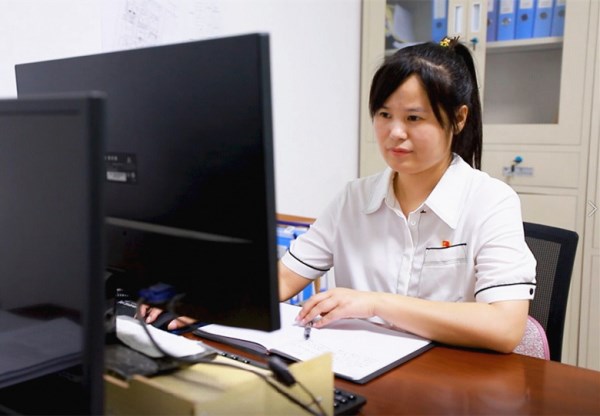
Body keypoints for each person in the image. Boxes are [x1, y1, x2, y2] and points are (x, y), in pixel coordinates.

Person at [278, 36, 536, 354]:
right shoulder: (353, 199)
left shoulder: (491, 201)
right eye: (384, 115)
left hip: (447, 372)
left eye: (414, 118)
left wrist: (376, 304)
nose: (395, 132)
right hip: (358, 366)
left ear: (458, 118)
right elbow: (284, 279)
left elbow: (505, 327)